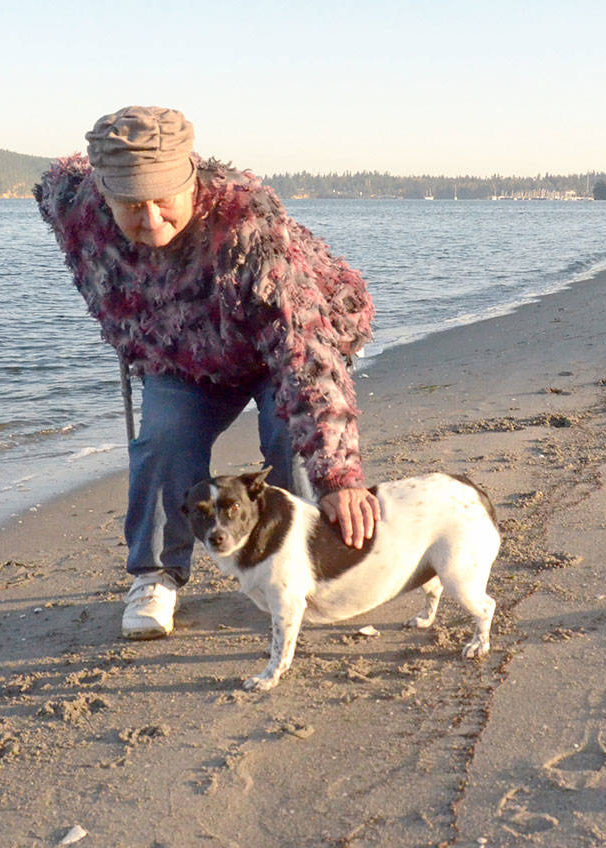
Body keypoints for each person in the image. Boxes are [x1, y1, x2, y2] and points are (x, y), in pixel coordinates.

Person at [35, 106, 380, 640]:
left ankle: (305, 565)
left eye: (162, 202)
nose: (149, 221)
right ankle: (154, 576)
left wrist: (341, 476)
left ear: (192, 180)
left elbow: (305, 352)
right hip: (184, 353)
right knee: (163, 438)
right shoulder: (75, 210)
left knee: (290, 438)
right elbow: (58, 178)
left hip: (275, 349)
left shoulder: (247, 224)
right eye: (129, 204)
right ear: (103, 194)